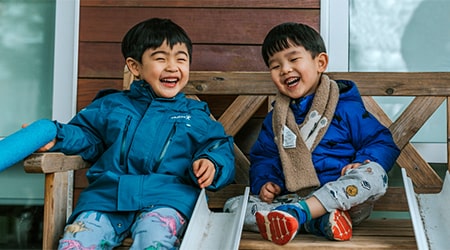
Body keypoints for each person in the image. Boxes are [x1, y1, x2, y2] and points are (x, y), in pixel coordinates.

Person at [37, 18, 235, 249]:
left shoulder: (194, 115)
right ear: (135, 67)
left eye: (181, 59)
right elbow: (86, 135)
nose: (172, 67)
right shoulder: (111, 106)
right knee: (76, 242)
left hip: (166, 201)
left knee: (153, 240)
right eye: (161, 58)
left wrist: (211, 162)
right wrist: (57, 137)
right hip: (106, 200)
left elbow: (218, 146)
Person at [245, 22, 400, 245]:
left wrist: (360, 162)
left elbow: (381, 142)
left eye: (293, 59)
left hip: (345, 199)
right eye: (275, 66)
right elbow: (264, 157)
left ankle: (299, 215)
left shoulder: (345, 108)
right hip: (292, 197)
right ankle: (316, 221)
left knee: (374, 174)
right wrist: (266, 182)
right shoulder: (276, 119)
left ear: (321, 63)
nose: (285, 69)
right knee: (237, 208)